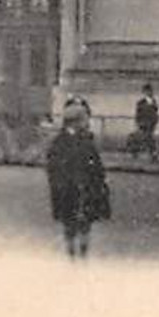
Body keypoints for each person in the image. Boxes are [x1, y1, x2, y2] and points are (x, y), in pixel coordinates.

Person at [46, 98, 111, 259]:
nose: (86, 123)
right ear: (75, 122)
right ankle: (71, 256)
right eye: (83, 120)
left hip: (86, 189)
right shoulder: (59, 143)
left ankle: (83, 255)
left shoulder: (86, 141)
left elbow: (96, 165)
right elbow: (53, 168)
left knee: (85, 225)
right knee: (69, 225)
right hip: (67, 190)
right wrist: (61, 184)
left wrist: (99, 183)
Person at [131, 84, 159, 162]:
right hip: (143, 123)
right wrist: (138, 122)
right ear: (144, 92)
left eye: (150, 91)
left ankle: (153, 154)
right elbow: (138, 114)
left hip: (150, 124)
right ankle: (136, 152)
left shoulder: (153, 102)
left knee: (149, 139)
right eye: (147, 91)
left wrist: (155, 122)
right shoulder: (141, 102)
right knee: (141, 138)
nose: (149, 93)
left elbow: (155, 113)